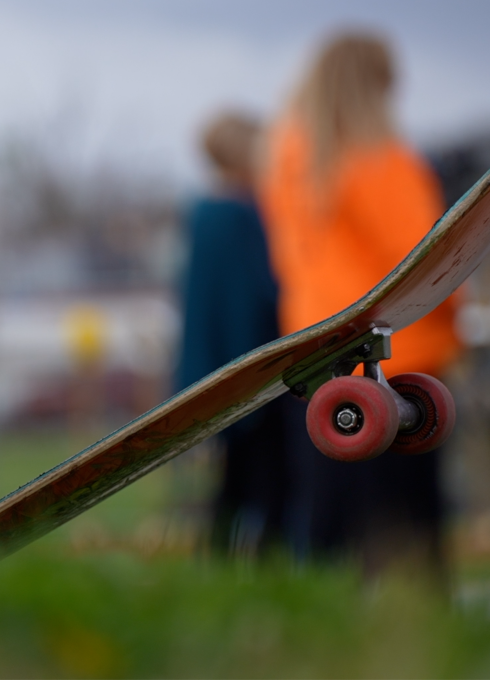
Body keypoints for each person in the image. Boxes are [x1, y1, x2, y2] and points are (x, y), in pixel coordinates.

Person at [258, 33, 460, 578]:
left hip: (314, 358)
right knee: (407, 537)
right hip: (398, 356)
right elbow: (429, 255)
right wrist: (458, 313)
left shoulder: (285, 159)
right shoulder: (380, 158)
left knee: (331, 530)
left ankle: (328, 629)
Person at [175, 111, 289, 557]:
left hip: (214, 363)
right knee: (265, 480)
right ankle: (263, 559)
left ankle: (222, 560)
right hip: (252, 365)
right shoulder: (241, 213)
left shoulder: (203, 213)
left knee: (234, 481)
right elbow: (254, 295)